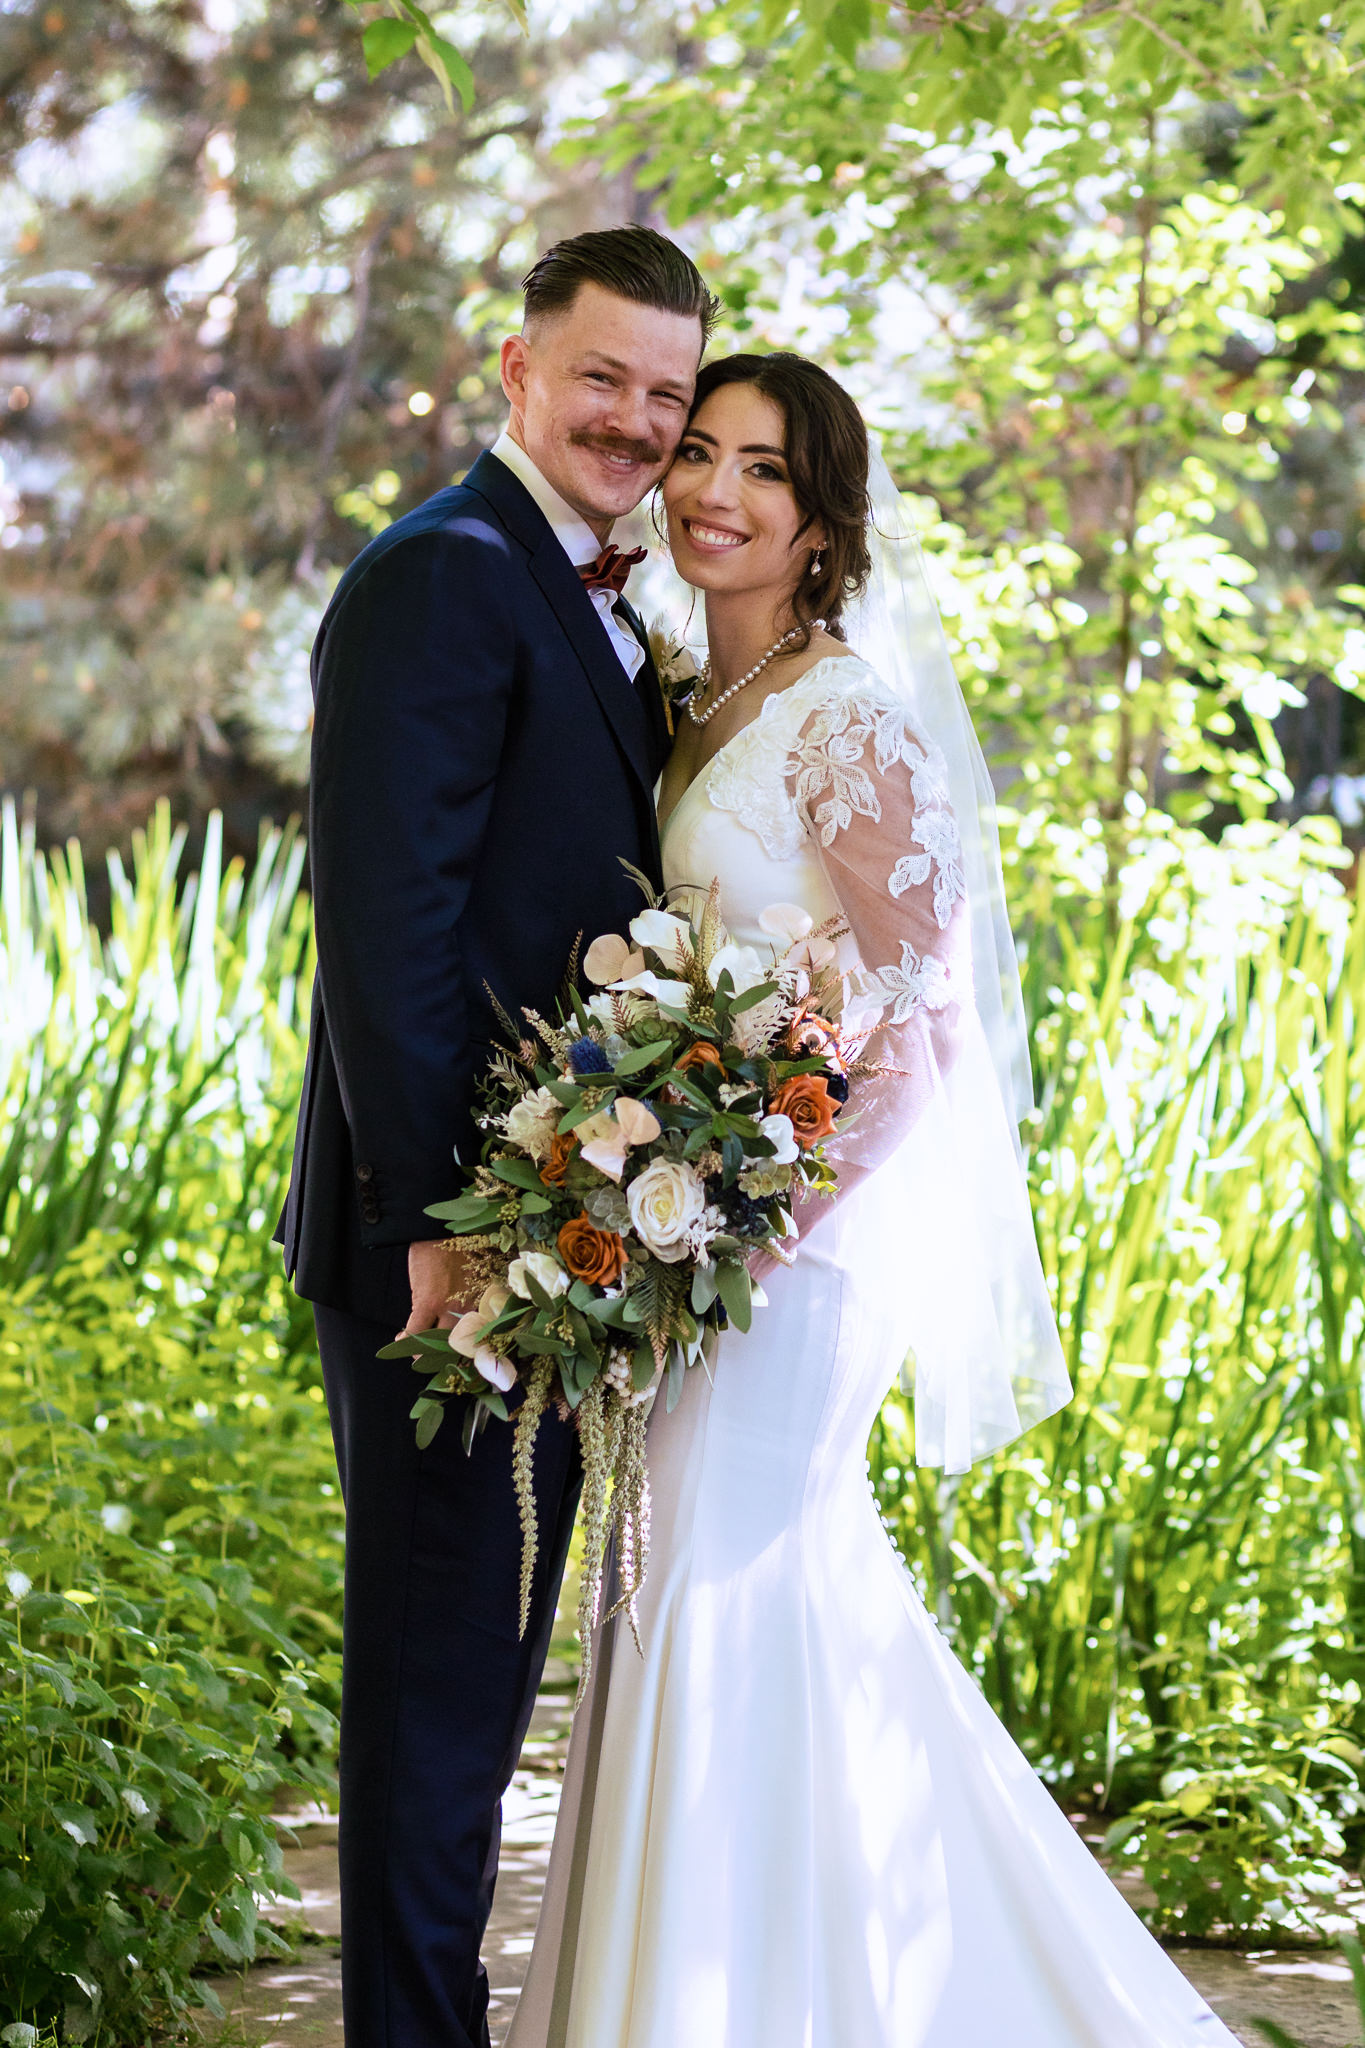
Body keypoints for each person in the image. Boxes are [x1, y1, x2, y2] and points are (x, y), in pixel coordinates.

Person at [505, 354, 1240, 2046]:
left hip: (793, 1256)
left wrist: (723, 1232)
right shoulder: (704, 695)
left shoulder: (847, 719)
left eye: (763, 470)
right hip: (701, 1231)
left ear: (823, 521)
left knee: (709, 1593)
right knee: (685, 1598)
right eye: (697, 452)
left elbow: (922, 1037)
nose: (712, 491)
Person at [275, 225, 718, 2048]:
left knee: (479, 1684)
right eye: (601, 376)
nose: (631, 419)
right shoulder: (445, 576)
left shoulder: (595, 590)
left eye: (665, 394)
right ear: (516, 368)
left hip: (551, 1240)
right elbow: (388, 929)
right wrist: (431, 1223)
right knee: (437, 1694)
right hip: (449, 1245)